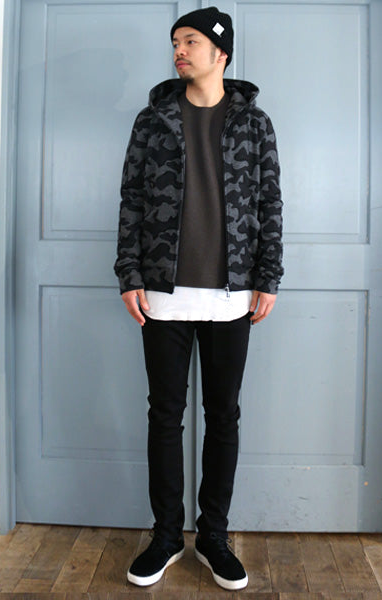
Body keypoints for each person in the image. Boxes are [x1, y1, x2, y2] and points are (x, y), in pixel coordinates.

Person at [113, 6, 283, 591]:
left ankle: (213, 537)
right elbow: (132, 198)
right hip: (162, 291)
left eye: (190, 41)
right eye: (175, 42)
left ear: (220, 53)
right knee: (165, 415)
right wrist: (129, 273)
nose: (179, 51)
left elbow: (270, 202)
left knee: (223, 416)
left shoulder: (255, 123)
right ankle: (166, 536)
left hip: (233, 294)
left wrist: (268, 276)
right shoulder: (153, 119)